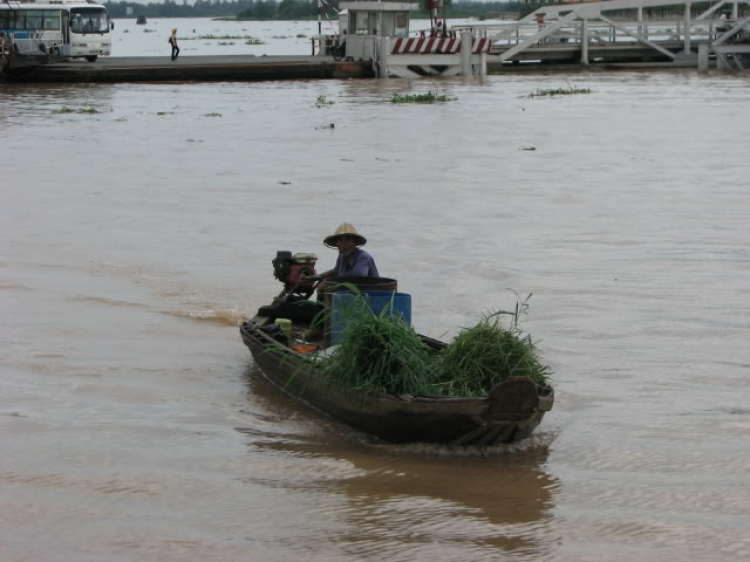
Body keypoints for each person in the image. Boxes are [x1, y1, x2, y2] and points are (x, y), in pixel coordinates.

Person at [309, 223, 379, 281]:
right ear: (336, 244)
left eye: (348, 240)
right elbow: (336, 271)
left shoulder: (363, 257)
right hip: (347, 291)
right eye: (340, 240)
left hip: (367, 293)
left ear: (355, 242)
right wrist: (318, 276)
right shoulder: (341, 256)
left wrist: (331, 281)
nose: (344, 244)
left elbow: (358, 276)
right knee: (322, 284)